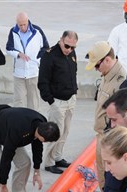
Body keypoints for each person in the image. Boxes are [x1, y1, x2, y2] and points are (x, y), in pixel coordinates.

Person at [85, 41, 126, 192]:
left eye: (97, 65)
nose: (96, 69)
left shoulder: (121, 80)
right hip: (101, 136)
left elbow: (122, 116)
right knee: (102, 178)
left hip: (112, 139)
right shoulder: (106, 75)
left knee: (113, 181)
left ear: (107, 60)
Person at [38, 30, 78, 174]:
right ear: (60, 40)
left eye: (73, 47)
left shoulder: (71, 53)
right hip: (57, 101)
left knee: (65, 131)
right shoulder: (49, 56)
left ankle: (57, 157)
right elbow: (42, 82)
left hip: (70, 99)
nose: (69, 50)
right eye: (67, 46)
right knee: (55, 132)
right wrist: (51, 101)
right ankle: (48, 162)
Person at [6, 12, 49, 111]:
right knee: (18, 101)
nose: (22, 27)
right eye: (20, 25)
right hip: (19, 73)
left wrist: (38, 60)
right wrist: (18, 54)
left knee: (33, 101)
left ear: (27, 21)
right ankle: (19, 124)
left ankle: (33, 124)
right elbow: (8, 48)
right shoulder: (13, 31)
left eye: (24, 24)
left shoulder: (37, 31)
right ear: (17, 23)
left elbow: (46, 48)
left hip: (33, 73)